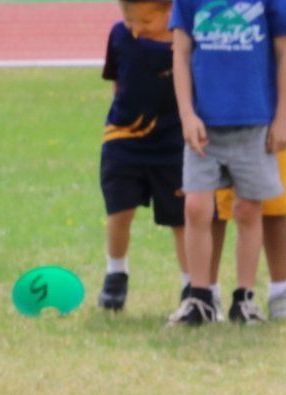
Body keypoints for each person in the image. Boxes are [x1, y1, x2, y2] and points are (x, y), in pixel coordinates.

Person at [167, 0, 286, 325]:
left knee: (248, 210)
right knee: (196, 208)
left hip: (254, 121)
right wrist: (187, 115)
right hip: (204, 125)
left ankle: (244, 298)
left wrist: (283, 117)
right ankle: (199, 298)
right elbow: (181, 54)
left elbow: (285, 53)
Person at [97, 0, 195, 313]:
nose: (136, 29)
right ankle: (116, 274)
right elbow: (119, 83)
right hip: (124, 143)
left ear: (170, 11)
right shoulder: (119, 36)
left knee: (180, 219)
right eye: (129, 21)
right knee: (119, 212)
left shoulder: (186, 43)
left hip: (172, 147)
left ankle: (190, 285)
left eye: (145, 22)